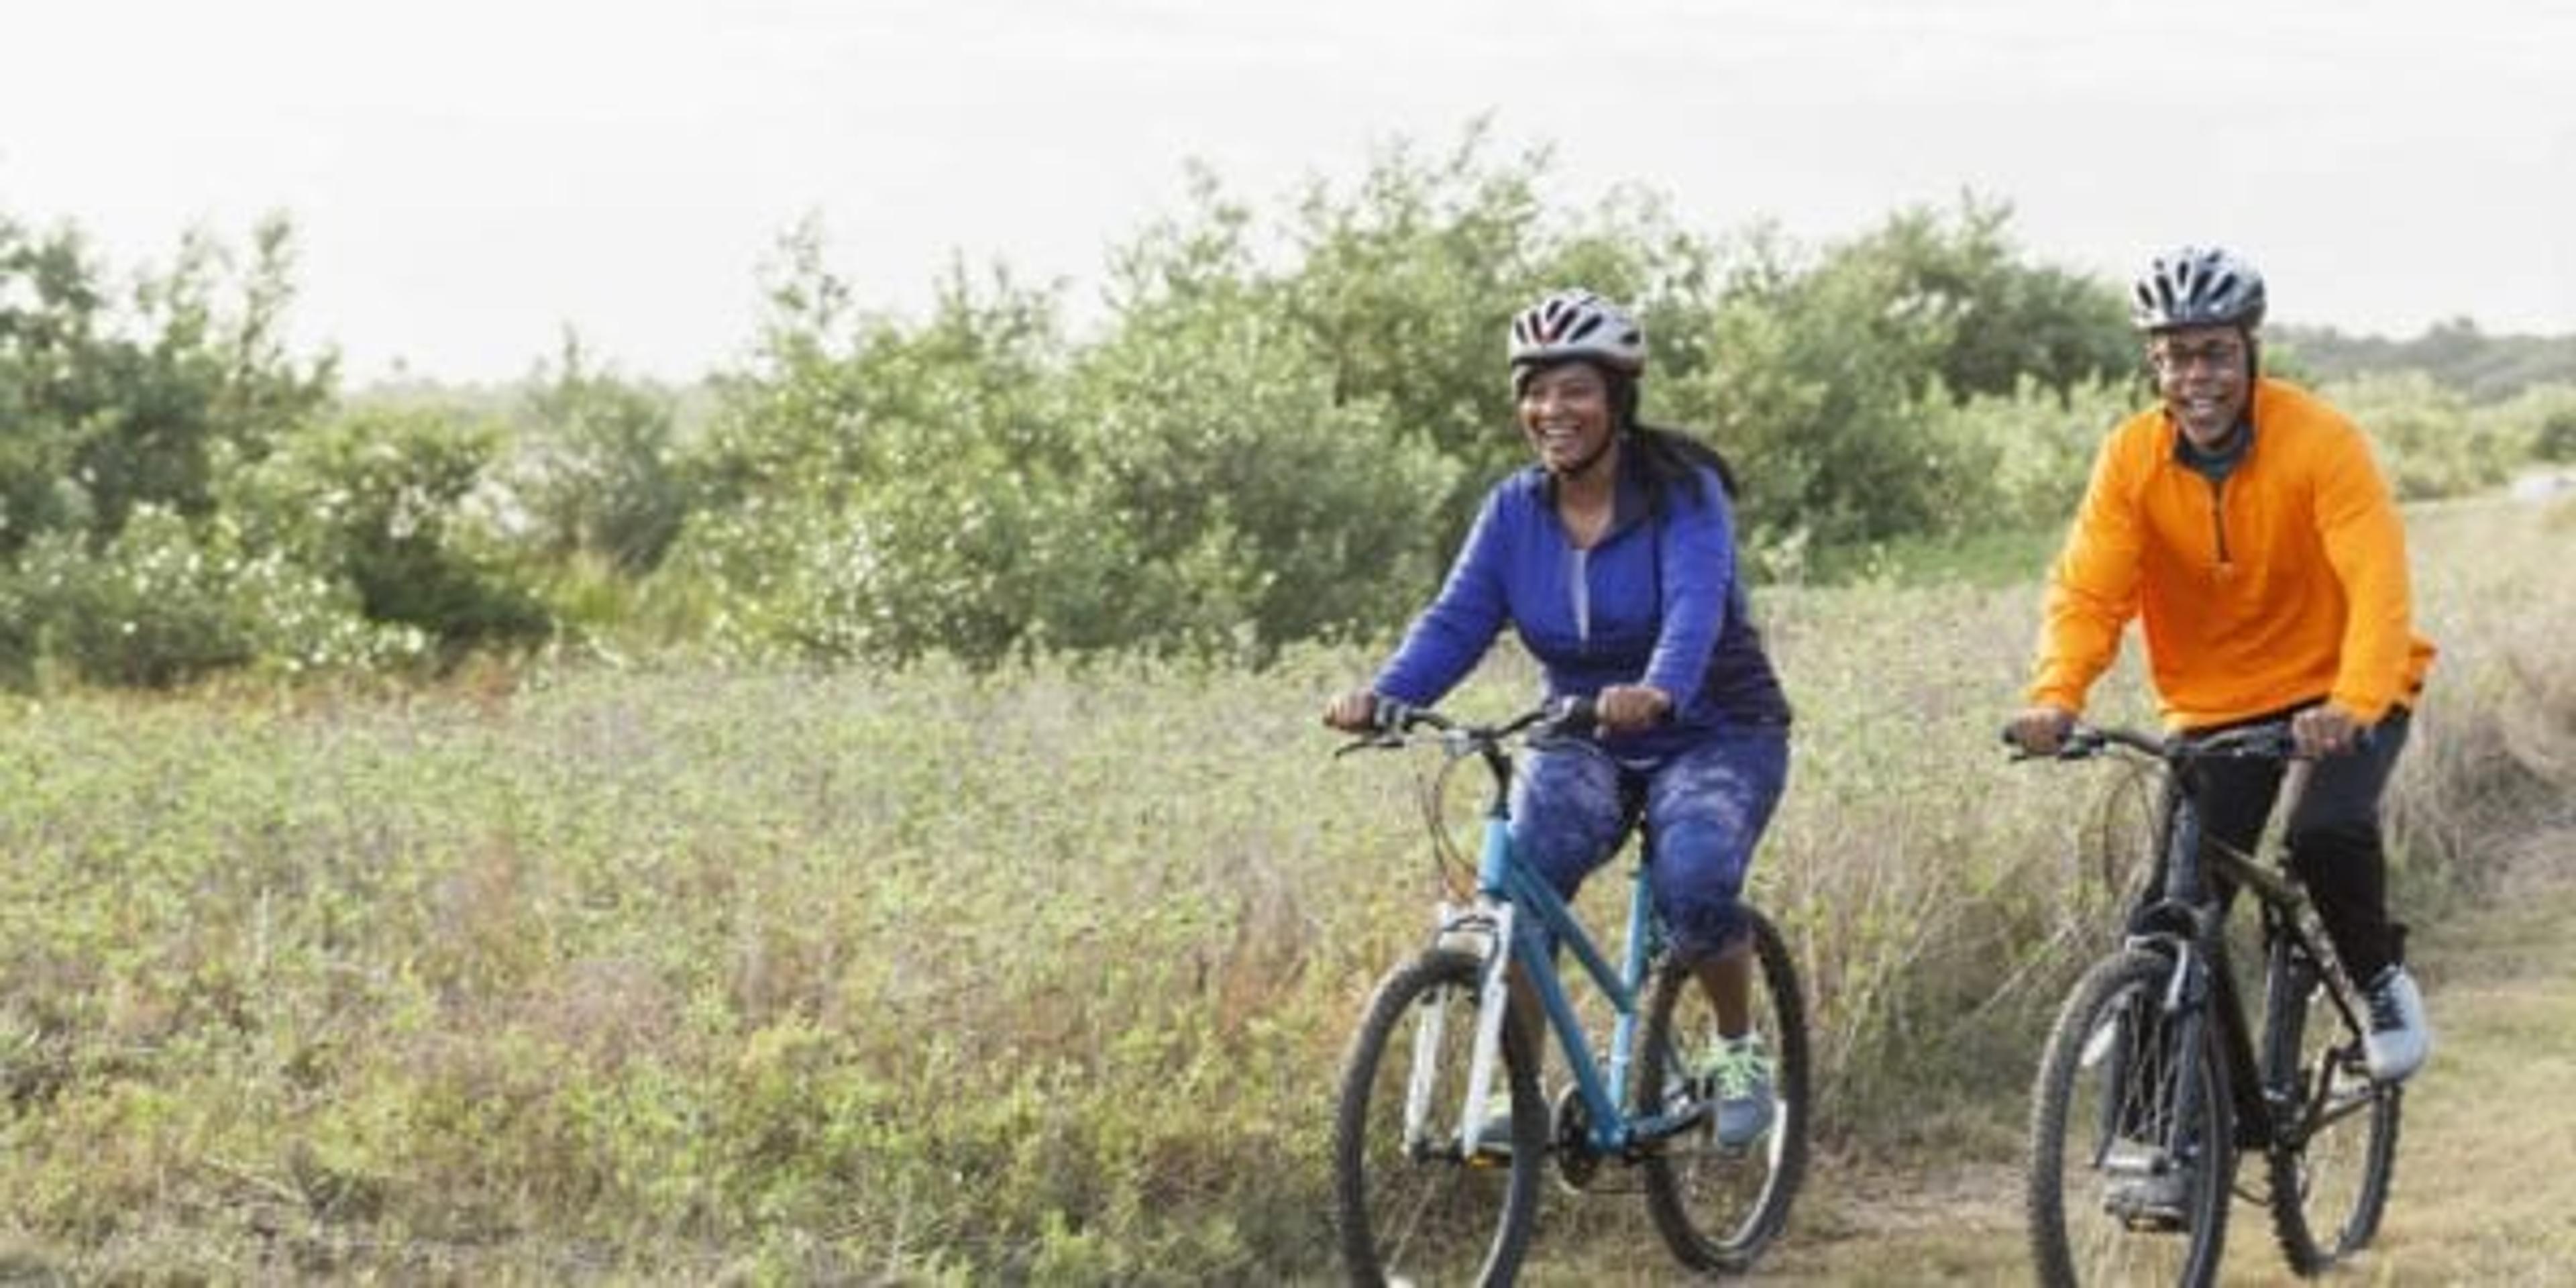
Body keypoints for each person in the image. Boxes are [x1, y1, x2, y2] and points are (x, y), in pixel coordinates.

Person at [1323, 288, 1795, 1147]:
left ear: (1617, 396)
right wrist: (1388, 696)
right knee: (1517, 898)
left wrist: (1657, 688)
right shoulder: (1514, 510)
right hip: (1585, 731)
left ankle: (1737, 1052)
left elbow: (1695, 608)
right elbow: (1457, 620)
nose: (1552, 410)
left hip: (1716, 727)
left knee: (1695, 882)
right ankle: (1522, 1097)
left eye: (1574, 389)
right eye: (1534, 391)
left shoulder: (1683, 494)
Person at [2006, 245, 2437, 1083]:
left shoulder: (2320, 441)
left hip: (2346, 684)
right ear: (2153, 365)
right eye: (2173, 357)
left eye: (2214, 353)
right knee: (2174, 912)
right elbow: (2090, 593)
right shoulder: (2131, 458)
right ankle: (2155, 1152)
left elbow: (2379, 585)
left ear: (2250, 352)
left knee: (2324, 835)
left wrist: (2352, 701)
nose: (2194, 375)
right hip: (2217, 704)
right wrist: (2056, 696)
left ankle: (2381, 983)